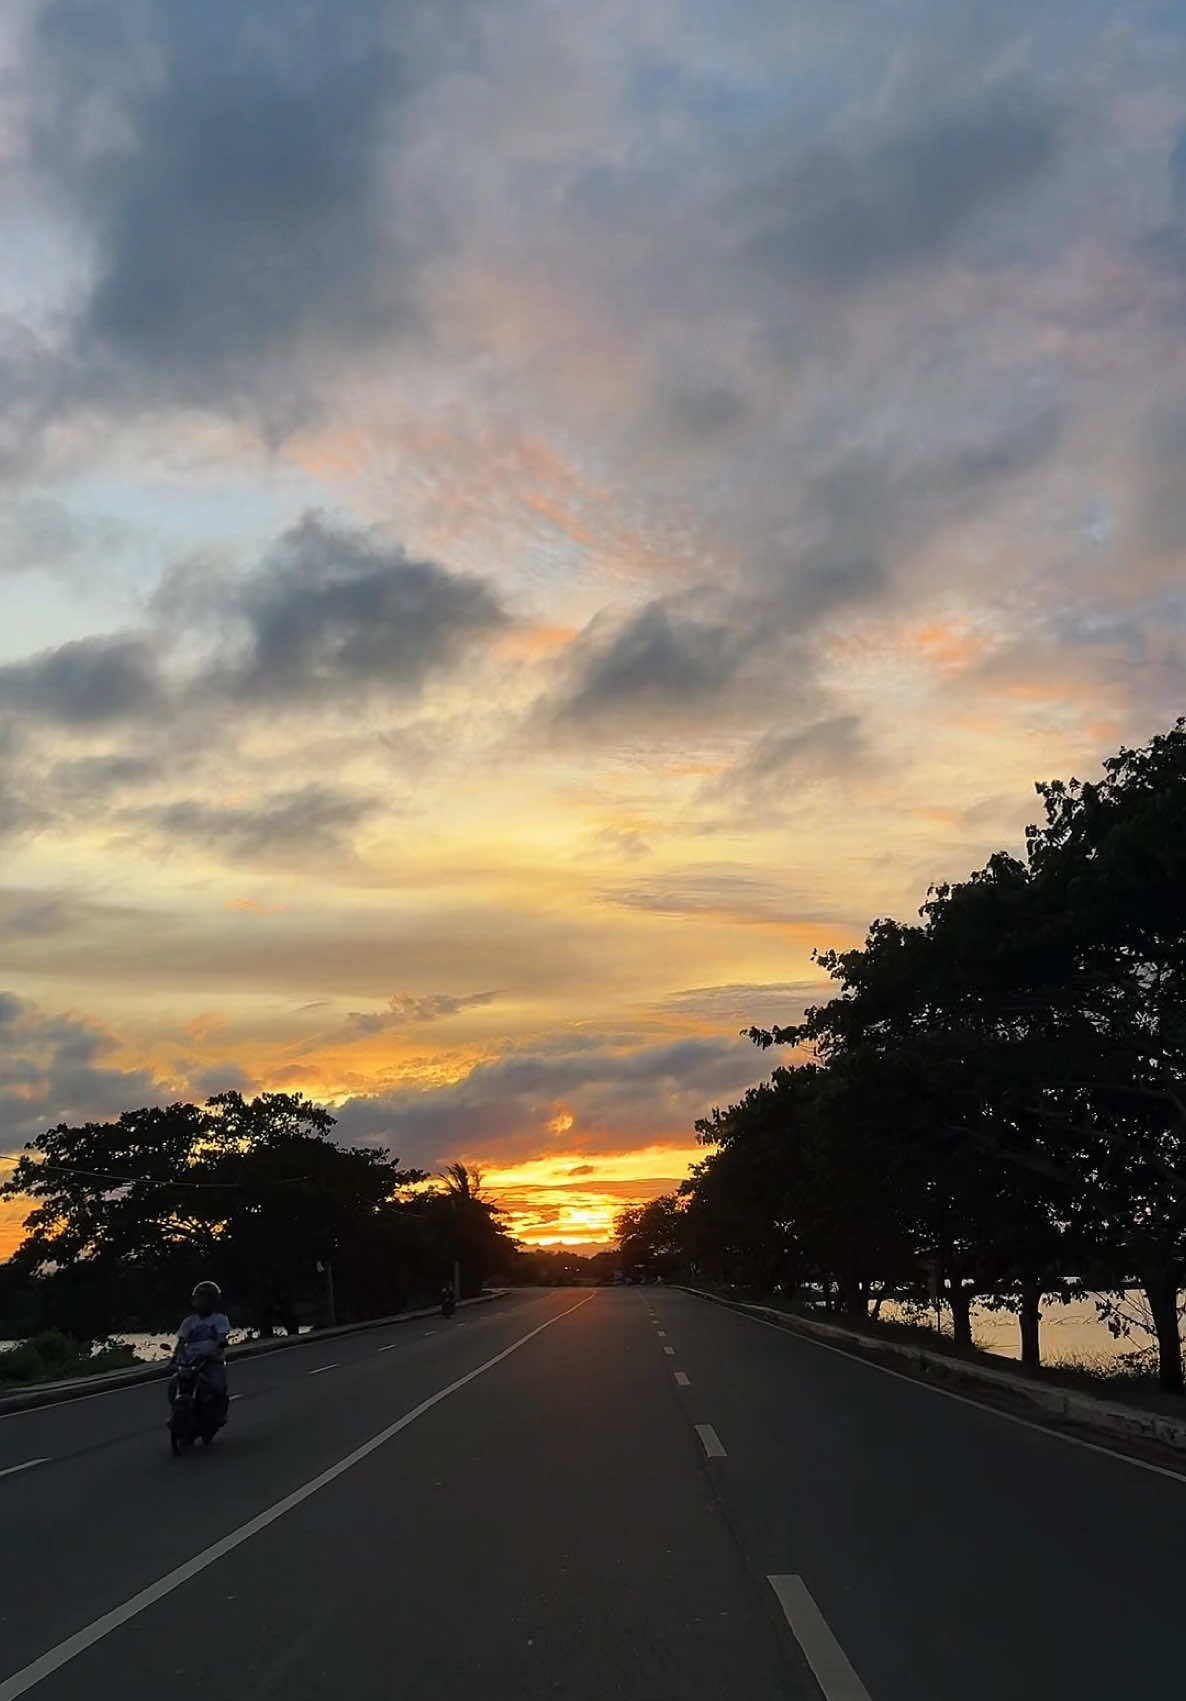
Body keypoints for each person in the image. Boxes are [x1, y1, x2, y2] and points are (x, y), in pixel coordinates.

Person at [172, 1279, 231, 1427]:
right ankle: (176, 1414)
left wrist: (218, 1346)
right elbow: (181, 1342)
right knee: (174, 1383)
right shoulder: (189, 1322)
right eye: (200, 1299)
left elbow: (221, 1337)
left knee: (217, 1386)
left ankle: (219, 1414)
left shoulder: (220, 1320)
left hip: (211, 1360)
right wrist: (175, 1357)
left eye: (206, 1300)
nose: (202, 1303)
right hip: (190, 1361)